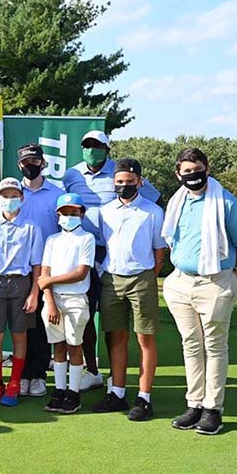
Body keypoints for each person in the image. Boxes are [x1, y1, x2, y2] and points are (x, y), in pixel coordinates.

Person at [162, 148, 237, 435]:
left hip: (215, 282)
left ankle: (212, 409)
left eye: (198, 169)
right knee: (191, 345)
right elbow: (172, 241)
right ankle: (194, 404)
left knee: (214, 347)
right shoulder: (177, 202)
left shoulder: (225, 202)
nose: (193, 175)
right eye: (187, 172)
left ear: (207, 168)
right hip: (180, 282)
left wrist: (233, 277)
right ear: (179, 175)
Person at [63, 130, 160, 393]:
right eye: (87, 145)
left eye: (96, 145)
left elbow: (151, 199)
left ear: (107, 148)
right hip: (80, 249)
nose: (91, 149)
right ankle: (92, 371)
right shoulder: (72, 174)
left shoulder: (121, 173)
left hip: (109, 253)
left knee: (109, 321)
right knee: (82, 311)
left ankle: (120, 383)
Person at [93, 159, 166, 421]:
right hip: (112, 279)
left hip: (142, 278)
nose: (124, 186)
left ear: (140, 182)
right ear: (114, 183)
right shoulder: (106, 211)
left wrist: (150, 276)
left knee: (145, 338)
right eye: (119, 182)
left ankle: (144, 398)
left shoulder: (153, 212)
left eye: (130, 182)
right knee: (116, 337)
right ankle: (118, 393)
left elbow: (159, 250)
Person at [0, 177, 42, 407]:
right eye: (5, 196)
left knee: (19, 335)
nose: (10, 200)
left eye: (14, 196)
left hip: (21, 284)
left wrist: (35, 292)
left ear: (22, 198)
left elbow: (37, 264)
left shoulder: (32, 226)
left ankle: (14, 382)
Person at [38, 193, 95, 414]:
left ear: (81, 213)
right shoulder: (52, 240)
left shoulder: (86, 238)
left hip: (76, 300)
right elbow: (45, 270)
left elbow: (80, 273)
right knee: (58, 346)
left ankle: (74, 393)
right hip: (53, 300)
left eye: (74, 213)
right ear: (57, 215)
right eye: (65, 213)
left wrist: (49, 281)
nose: (69, 217)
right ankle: (60, 390)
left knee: (74, 345)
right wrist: (50, 302)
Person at [16, 143, 65, 398]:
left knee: (41, 324)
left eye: (35, 162)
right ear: (19, 165)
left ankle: (37, 374)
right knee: (22, 324)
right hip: (18, 266)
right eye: (26, 163)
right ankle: (22, 374)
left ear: (43, 163)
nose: (31, 166)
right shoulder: (12, 192)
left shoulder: (56, 194)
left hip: (47, 267)